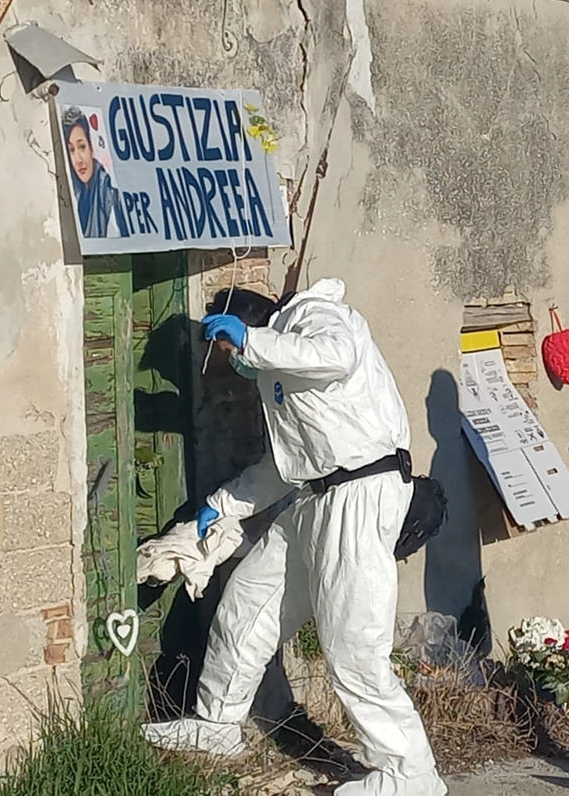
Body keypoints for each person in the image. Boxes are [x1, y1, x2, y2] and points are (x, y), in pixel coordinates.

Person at [142, 279, 447, 796]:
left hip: (362, 493)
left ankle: (409, 773)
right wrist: (218, 509)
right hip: (315, 498)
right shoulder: (279, 380)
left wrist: (252, 343)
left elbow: (338, 354)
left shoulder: (318, 317)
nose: (230, 361)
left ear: (248, 321)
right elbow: (283, 468)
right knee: (248, 600)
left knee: (354, 646)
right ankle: (217, 723)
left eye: (225, 346)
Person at [62, 106, 127, 239]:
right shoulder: (74, 193)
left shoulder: (107, 191)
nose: (78, 160)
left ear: (91, 148)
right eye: (71, 150)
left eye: (82, 147)